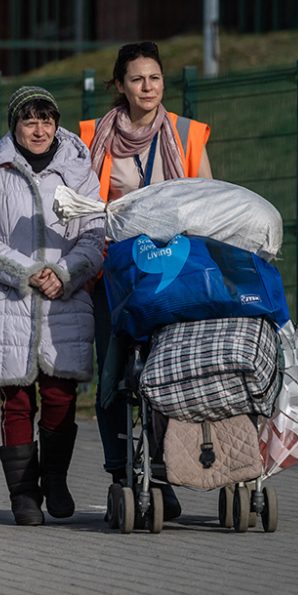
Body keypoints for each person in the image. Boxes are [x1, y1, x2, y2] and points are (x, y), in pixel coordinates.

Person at [80, 41, 213, 520]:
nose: (147, 87)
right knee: (113, 376)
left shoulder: (183, 134)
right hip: (112, 274)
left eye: (154, 78)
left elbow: (206, 203)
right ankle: (122, 470)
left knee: (164, 376)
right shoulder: (94, 138)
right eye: (137, 79)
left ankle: (161, 470)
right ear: (120, 85)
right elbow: (80, 204)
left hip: (172, 274)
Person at [0, 86, 105, 526]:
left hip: (65, 300)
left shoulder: (79, 173)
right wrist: (28, 272)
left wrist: (62, 273)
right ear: (15, 126)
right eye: (29, 120)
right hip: (11, 303)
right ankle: (23, 493)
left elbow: (95, 235)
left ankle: (56, 479)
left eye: (47, 120)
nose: (39, 129)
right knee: (17, 400)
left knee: (61, 396)